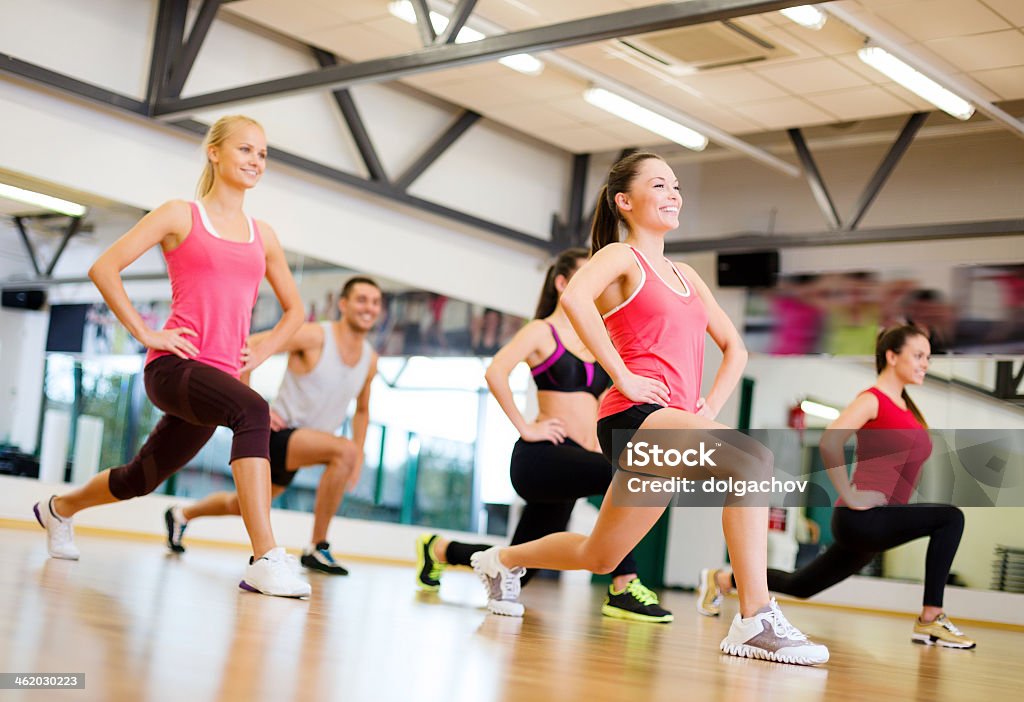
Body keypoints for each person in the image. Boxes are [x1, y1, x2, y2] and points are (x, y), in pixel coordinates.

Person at [467, 152, 828, 665]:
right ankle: (755, 617)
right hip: (631, 418)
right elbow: (575, 301)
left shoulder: (686, 274)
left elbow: (736, 349)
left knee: (601, 554)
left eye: (676, 185)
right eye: (660, 185)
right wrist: (623, 375)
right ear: (625, 200)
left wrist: (708, 407)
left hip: (668, 423)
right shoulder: (621, 257)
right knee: (752, 460)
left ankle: (501, 561)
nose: (673, 193)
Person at [32, 115, 310, 598]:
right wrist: (145, 331)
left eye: (262, 154)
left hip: (220, 380)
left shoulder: (262, 235)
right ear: (215, 152)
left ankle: (59, 509)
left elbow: (296, 311)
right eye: (246, 150)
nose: (255, 161)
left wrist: (261, 350)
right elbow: (105, 267)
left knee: (142, 477)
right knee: (254, 411)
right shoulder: (180, 215)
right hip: (175, 367)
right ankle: (265, 558)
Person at [415, 248, 672, 623]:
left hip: (577, 462)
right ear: (563, 283)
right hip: (543, 457)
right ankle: (623, 584)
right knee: (624, 474)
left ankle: (439, 549)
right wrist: (526, 426)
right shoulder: (541, 331)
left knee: (524, 562)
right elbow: (495, 372)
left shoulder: (600, 343)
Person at [698, 325, 975, 649]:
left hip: (877, 522)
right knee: (951, 518)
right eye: (917, 355)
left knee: (802, 585)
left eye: (928, 357)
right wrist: (852, 493)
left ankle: (719, 579)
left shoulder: (908, 410)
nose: (925, 363)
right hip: (862, 519)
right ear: (891, 356)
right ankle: (930, 619)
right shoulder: (872, 400)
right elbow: (831, 440)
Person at [165, 276, 381, 576]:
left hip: (305, 445)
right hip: (279, 435)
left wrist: (359, 455)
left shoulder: (370, 359)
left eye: (375, 301)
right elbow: (250, 345)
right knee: (343, 451)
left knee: (240, 505)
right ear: (343, 305)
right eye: (361, 299)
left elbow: (363, 410)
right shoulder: (316, 336)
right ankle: (317, 547)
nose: (369, 307)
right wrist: (253, 405)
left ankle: (181, 514)